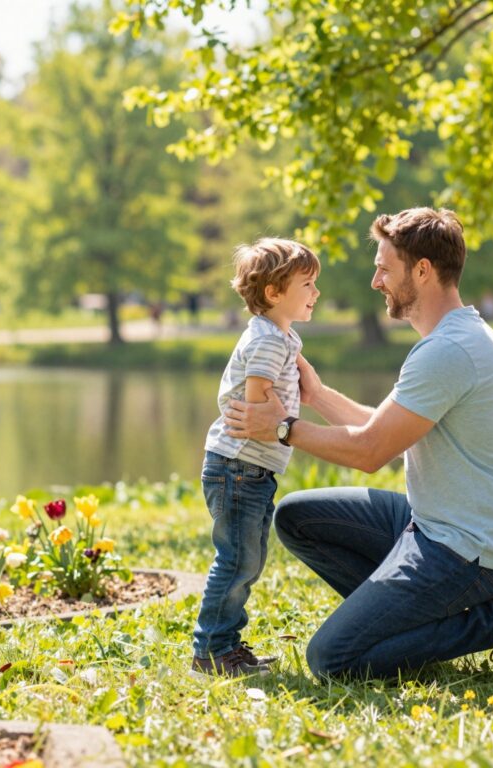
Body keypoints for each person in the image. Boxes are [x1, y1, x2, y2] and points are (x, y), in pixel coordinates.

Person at [223, 207, 493, 679]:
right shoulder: (454, 337)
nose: (376, 281)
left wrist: (281, 428)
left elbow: (370, 452)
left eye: (384, 268)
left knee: (331, 660)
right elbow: (386, 431)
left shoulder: (448, 351)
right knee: (298, 517)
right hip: (433, 524)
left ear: (422, 270)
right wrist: (315, 397)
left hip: (468, 551)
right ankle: (403, 620)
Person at [192, 237, 322, 677]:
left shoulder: (280, 336)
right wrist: (287, 421)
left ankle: (225, 644)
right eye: (307, 284)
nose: (316, 293)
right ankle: (210, 652)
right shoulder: (267, 341)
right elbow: (257, 405)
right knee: (237, 559)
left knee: (247, 558)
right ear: (273, 293)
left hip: (251, 468)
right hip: (239, 466)